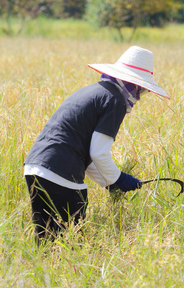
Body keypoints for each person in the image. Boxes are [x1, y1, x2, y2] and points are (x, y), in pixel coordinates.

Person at [24, 46, 169, 242]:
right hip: (60, 174)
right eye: (141, 88)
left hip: (36, 168)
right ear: (132, 84)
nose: (141, 95)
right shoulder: (115, 100)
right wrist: (120, 179)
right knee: (71, 245)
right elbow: (99, 152)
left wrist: (110, 183)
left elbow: (85, 154)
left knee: (47, 242)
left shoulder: (93, 91)